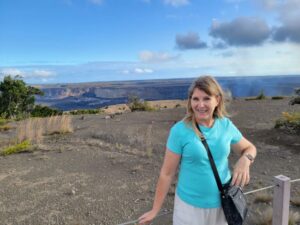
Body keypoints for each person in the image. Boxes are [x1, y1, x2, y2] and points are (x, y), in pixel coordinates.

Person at [138, 76, 256, 225]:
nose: (200, 105)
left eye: (206, 98)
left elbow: (249, 148)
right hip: (189, 210)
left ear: (217, 100)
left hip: (223, 206)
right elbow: (167, 173)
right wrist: (155, 210)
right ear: (190, 101)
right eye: (195, 99)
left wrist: (246, 159)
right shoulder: (179, 131)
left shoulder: (225, 125)